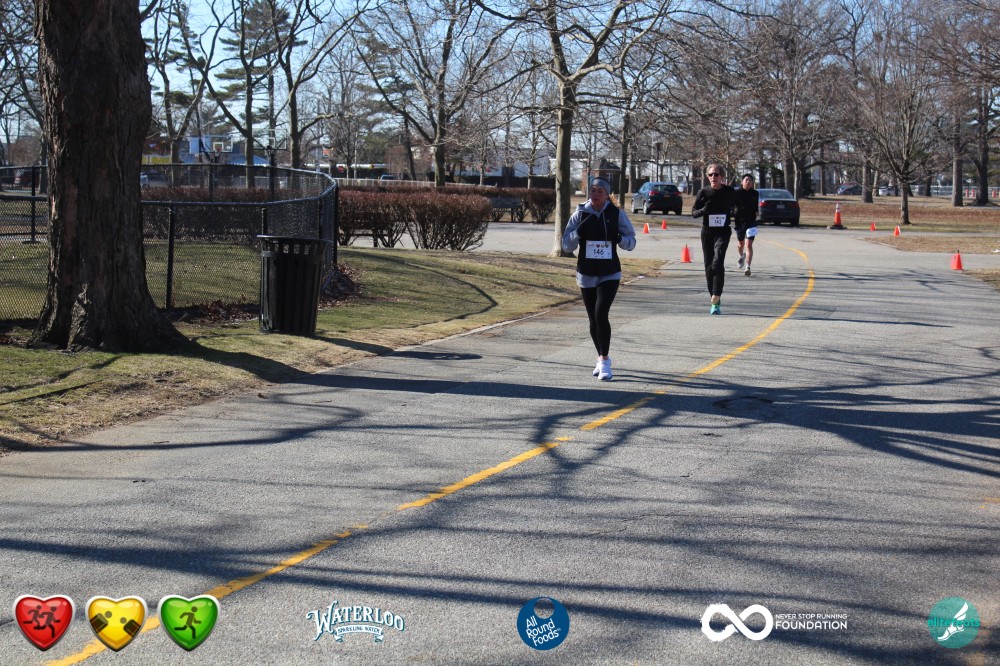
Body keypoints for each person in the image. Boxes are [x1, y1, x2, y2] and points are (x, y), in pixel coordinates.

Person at [562, 177, 637, 381]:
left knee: (601, 313)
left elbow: (631, 242)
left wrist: (620, 239)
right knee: (593, 318)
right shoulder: (580, 213)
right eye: (593, 190)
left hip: (609, 272)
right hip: (586, 272)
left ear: (606, 195)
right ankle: (600, 357)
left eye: (600, 191)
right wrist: (577, 233)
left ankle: (605, 361)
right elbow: (566, 245)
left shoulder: (616, 214)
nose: (595, 194)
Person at [690, 164, 737, 314]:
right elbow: (694, 213)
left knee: (718, 261)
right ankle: (715, 300)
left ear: (721, 176)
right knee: (709, 267)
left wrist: (733, 212)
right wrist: (704, 210)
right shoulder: (703, 193)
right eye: (710, 175)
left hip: (723, 231)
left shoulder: (729, 192)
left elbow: (738, 207)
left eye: (716, 174)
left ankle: (716, 295)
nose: (713, 177)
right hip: (708, 232)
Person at [734, 173, 760, 276]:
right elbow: (732, 205)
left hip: (751, 221)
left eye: (750, 180)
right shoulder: (737, 192)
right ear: (742, 182)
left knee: (748, 244)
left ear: (752, 182)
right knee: (741, 244)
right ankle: (741, 256)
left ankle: (748, 267)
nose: (748, 182)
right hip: (740, 221)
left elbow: (756, 206)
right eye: (746, 180)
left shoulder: (755, 193)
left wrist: (757, 212)